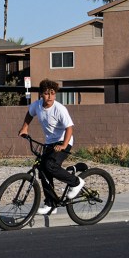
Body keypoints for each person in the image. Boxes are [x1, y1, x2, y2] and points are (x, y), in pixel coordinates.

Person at [18, 79, 82, 215]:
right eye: (47, 94)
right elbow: (29, 114)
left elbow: (69, 128)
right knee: (43, 170)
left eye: (52, 93)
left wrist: (64, 145)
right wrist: (24, 128)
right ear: (41, 94)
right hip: (49, 142)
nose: (50, 97)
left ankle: (76, 182)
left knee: (50, 166)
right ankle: (51, 204)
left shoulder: (59, 109)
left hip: (63, 141)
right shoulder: (37, 106)